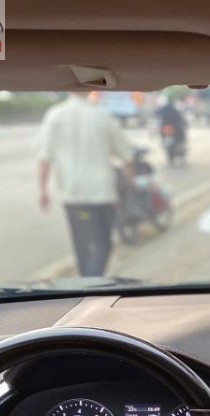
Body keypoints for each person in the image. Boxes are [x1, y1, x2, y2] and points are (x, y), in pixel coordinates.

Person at [36, 92, 134, 277]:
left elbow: (45, 157)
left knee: (82, 248)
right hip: (102, 194)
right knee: (103, 245)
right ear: (90, 90)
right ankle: (90, 285)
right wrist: (131, 179)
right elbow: (126, 153)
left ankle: (85, 283)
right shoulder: (102, 116)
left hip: (73, 196)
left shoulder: (55, 115)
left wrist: (43, 190)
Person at [156, 96, 187, 167]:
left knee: (178, 140)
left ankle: (173, 155)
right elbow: (180, 118)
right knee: (180, 140)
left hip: (168, 130)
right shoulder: (174, 109)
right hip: (172, 130)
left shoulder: (162, 110)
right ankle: (176, 154)